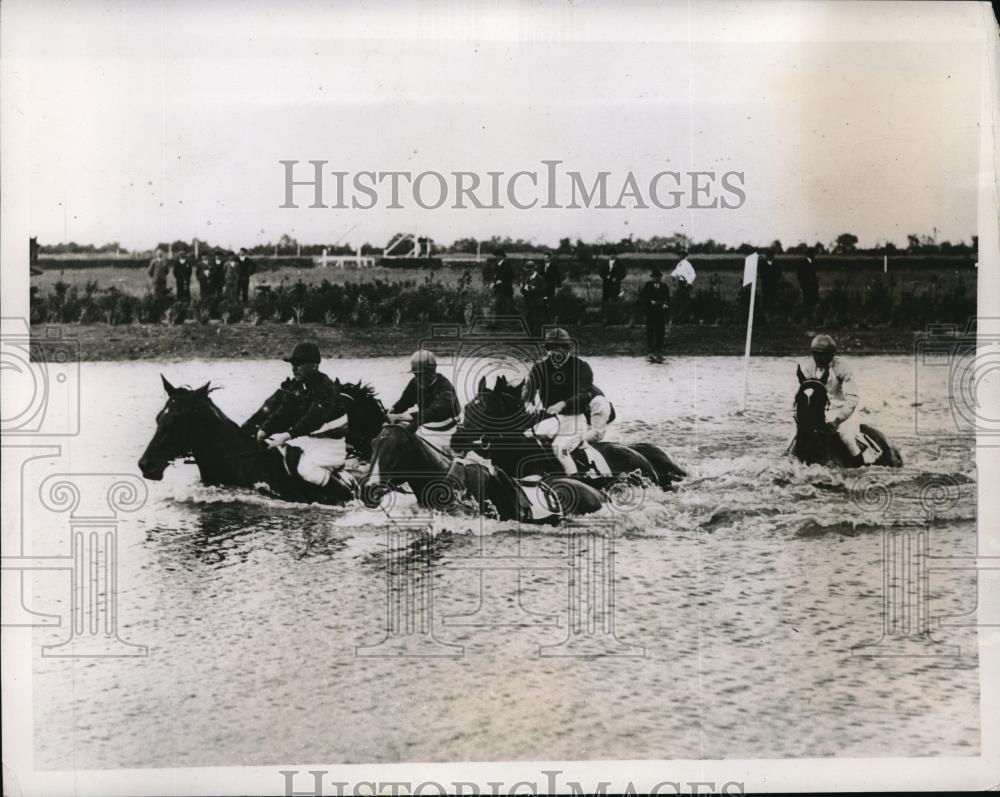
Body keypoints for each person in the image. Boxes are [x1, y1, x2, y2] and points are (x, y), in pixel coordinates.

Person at [241, 342, 345, 487]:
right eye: (292, 364)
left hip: (330, 444)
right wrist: (264, 429)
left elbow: (312, 420)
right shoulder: (298, 385)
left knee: (305, 470)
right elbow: (283, 411)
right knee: (274, 455)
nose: (294, 369)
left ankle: (347, 496)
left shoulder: (326, 387)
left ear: (314, 366)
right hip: (307, 440)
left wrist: (286, 436)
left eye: (299, 364)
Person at [521, 328, 595, 475]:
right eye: (552, 349)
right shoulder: (539, 367)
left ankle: (575, 482)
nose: (554, 354)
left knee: (559, 449)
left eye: (559, 350)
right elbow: (528, 388)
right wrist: (528, 403)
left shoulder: (581, 367)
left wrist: (563, 404)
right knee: (527, 436)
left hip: (575, 419)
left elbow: (585, 395)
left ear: (568, 350)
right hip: (553, 419)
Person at [797, 334, 863, 466]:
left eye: (824, 355)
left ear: (832, 354)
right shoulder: (808, 369)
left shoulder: (842, 367)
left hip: (843, 412)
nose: (819, 358)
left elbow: (852, 398)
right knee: (795, 436)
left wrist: (837, 421)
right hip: (820, 413)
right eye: (816, 354)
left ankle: (860, 469)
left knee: (846, 437)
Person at [387, 350, 462, 452]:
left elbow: (434, 412)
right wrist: (392, 411)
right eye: (415, 375)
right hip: (425, 427)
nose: (417, 379)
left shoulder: (445, 387)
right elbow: (404, 402)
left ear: (431, 372)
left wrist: (400, 417)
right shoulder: (415, 383)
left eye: (421, 375)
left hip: (447, 432)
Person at [640, 268, 669, 356]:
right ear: (652, 278)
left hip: (660, 311)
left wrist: (664, 305)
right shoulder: (648, 285)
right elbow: (645, 297)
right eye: (655, 277)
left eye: (658, 277)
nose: (656, 278)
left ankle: (659, 346)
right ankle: (650, 345)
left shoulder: (664, 286)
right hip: (651, 311)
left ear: (660, 278)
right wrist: (649, 305)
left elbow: (667, 298)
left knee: (660, 328)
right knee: (650, 328)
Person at [520, 260, 547, 337]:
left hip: (537, 303)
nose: (528, 272)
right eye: (527, 270)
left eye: (530, 270)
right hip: (528, 302)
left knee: (537, 320)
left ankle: (537, 337)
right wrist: (524, 288)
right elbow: (522, 290)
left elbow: (544, 290)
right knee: (528, 320)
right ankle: (530, 336)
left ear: (534, 269)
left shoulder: (540, 278)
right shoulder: (527, 278)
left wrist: (535, 288)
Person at [599, 255, 627, 324]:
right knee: (605, 301)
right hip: (606, 285)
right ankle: (604, 319)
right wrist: (606, 277)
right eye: (610, 254)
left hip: (615, 285)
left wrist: (617, 278)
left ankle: (614, 319)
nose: (612, 255)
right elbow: (601, 273)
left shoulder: (619, 264)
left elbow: (623, 274)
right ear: (608, 255)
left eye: (613, 254)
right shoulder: (605, 264)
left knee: (615, 300)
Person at [670, 250, 696, 323]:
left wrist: (689, 282)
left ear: (685, 256)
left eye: (681, 255)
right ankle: (680, 318)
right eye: (679, 255)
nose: (680, 256)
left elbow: (693, 274)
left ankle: (683, 319)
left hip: (685, 284)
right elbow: (677, 271)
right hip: (680, 283)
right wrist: (672, 275)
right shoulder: (679, 264)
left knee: (684, 301)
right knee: (679, 301)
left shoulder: (687, 264)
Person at [491, 250, 516, 317]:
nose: (496, 257)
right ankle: (498, 323)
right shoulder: (497, 265)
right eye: (496, 255)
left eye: (498, 255)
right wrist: (493, 283)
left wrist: (502, 281)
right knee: (498, 305)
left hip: (506, 289)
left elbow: (511, 276)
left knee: (509, 306)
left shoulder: (507, 265)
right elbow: (496, 276)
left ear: (502, 256)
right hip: (498, 289)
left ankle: (512, 323)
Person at [796, 250, 819, 317]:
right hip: (806, 285)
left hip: (813, 285)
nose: (814, 255)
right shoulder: (803, 262)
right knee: (807, 300)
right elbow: (799, 274)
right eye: (813, 254)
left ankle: (811, 314)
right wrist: (803, 283)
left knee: (813, 299)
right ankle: (807, 314)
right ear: (810, 254)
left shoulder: (813, 262)